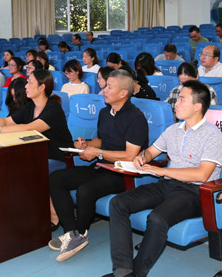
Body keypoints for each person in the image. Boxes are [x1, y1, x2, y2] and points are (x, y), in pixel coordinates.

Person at [93, 80, 222, 277]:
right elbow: (151, 151)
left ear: (198, 106)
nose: (176, 103)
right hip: (167, 184)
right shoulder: (173, 130)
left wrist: (161, 171)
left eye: (182, 100)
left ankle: (133, 274)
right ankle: (123, 271)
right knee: (118, 203)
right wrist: (142, 158)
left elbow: (202, 174)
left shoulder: (212, 135)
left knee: (157, 218)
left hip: (195, 192)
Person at [48, 69, 148, 262]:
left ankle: (81, 233)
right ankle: (72, 232)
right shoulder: (105, 112)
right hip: (101, 166)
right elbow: (101, 140)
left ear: (123, 93)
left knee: (85, 190)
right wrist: (86, 144)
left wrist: (97, 153)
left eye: (109, 87)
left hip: (122, 173)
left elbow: (130, 155)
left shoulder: (136, 118)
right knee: (56, 179)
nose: (104, 90)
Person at [0, 69, 73, 175]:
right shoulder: (30, 106)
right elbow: (7, 121)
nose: (26, 86)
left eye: (30, 83)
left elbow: (30, 128)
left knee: (20, 170)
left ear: (41, 87)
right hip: (36, 155)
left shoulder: (54, 108)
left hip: (57, 158)